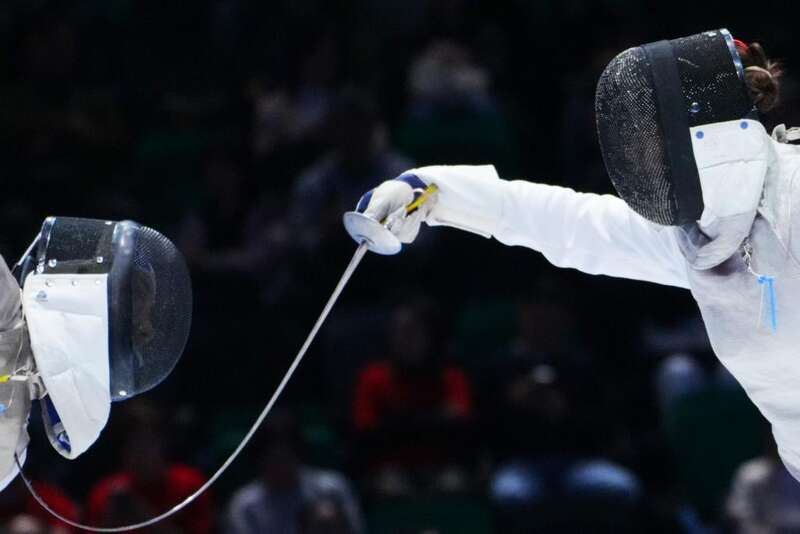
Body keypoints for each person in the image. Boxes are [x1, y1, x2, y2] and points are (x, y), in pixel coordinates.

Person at [348, 29, 800, 483]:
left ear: (702, 135)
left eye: (652, 142)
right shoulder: (700, 231)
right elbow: (572, 225)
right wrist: (432, 192)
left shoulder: (791, 199)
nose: (644, 159)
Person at [352, 298, 473, 495]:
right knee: (390, 486)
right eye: (398, 332)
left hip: (441, 466)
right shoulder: (373, 378)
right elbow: (366, 429)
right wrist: (432, 419)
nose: (404, 339)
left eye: (412, 332)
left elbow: (460, 423)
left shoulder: (451, 378)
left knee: (454, 484)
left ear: (430, 335)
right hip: (390, 468)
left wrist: (400, 421)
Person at [225, 410, 364, 534]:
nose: (281, 466)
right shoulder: (245, 505)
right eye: (274, 459)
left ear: (298, 454)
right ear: (260, 460)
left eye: (286, 457)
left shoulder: (332, 489)